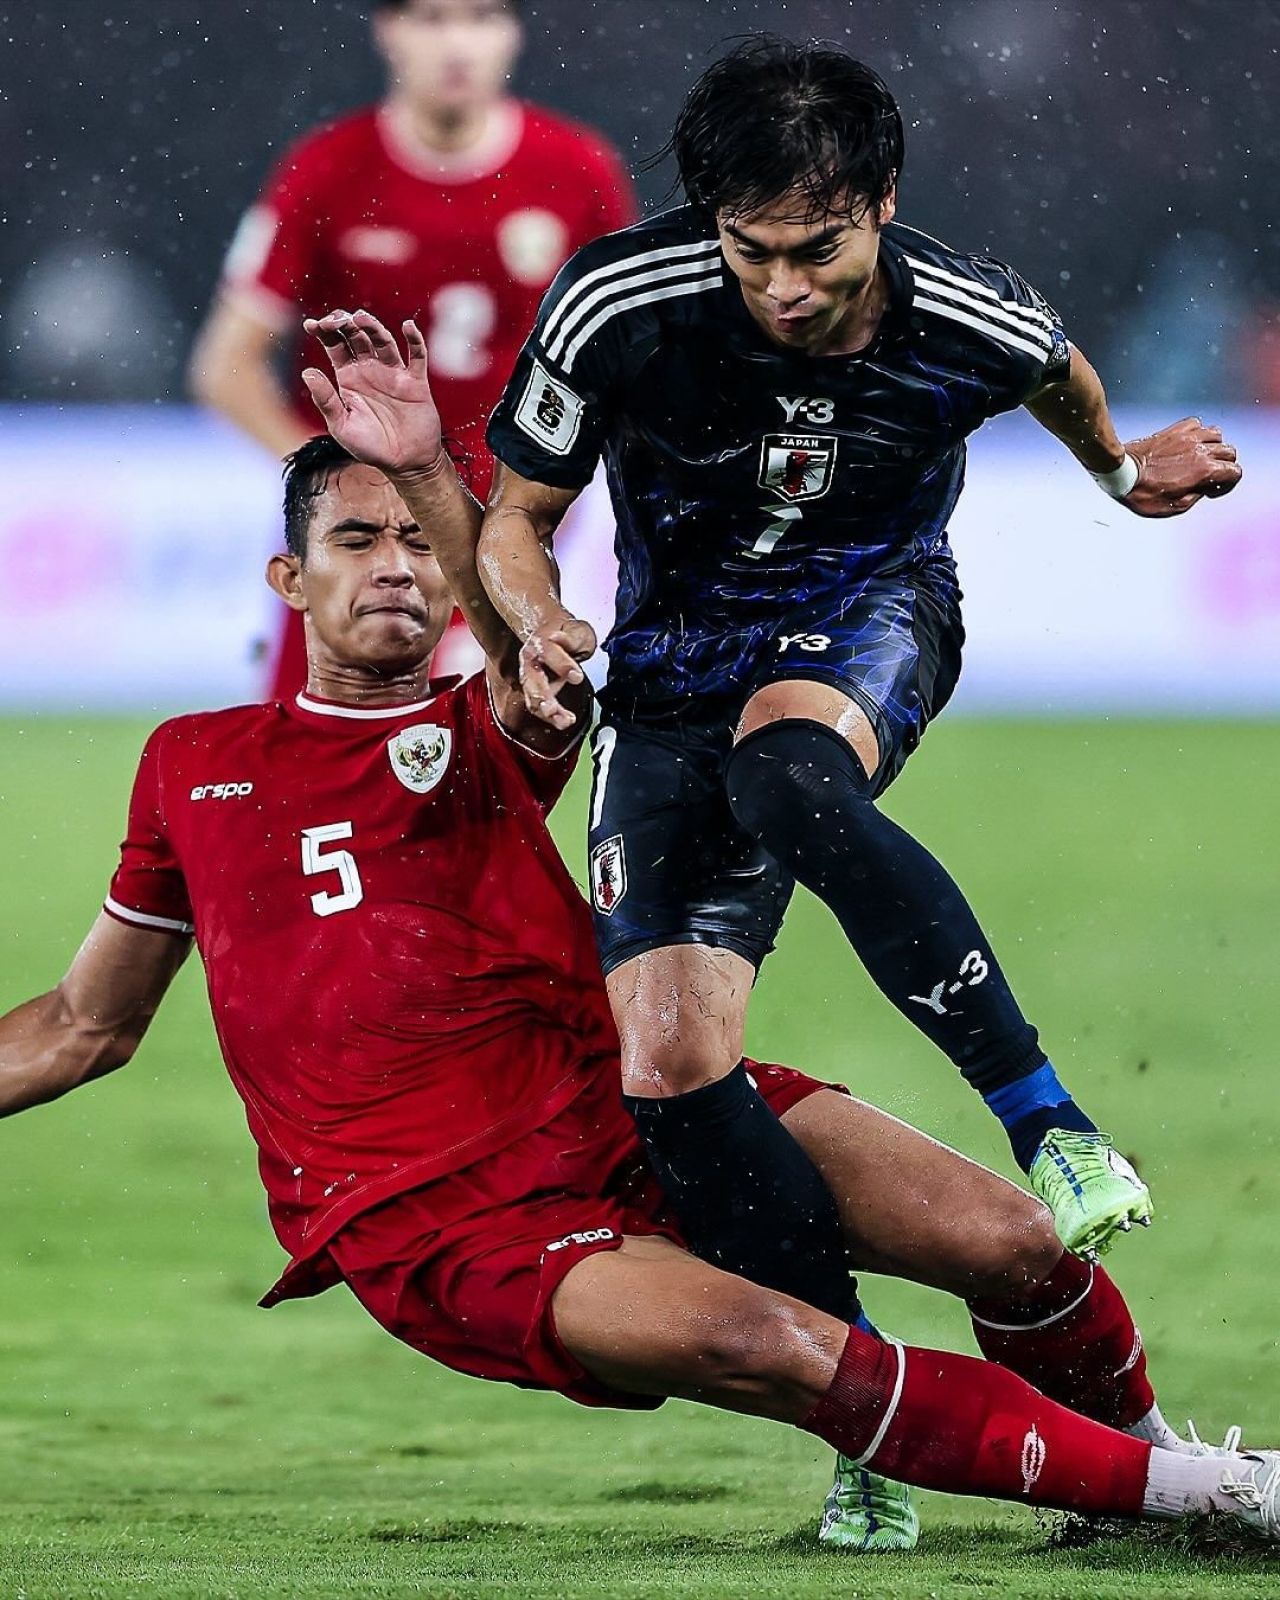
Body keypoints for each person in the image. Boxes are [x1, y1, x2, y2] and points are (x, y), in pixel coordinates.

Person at [2, 309, 1276, 1557]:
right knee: (768, 1345)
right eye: (353, 538)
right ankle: (1217, 1499)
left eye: (411, 542)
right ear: (290, 578)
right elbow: (79, 1026)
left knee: (1015, 1244)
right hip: (433, 1214)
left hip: (620, 1106)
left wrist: (427, 469)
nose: (393, 561)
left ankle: (1167, 1468)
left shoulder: (479, 724)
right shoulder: (189, 765)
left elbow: (516, 651)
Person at [478, 40, 1246, 1343]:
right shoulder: (615, 304)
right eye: (751, 248)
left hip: (870, 613)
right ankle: (859, 1406)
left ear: (882, 202)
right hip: (668, 663)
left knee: (785, 776)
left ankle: (1049, 1125)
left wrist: (1123, 476)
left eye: (818, 249)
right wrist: (539, 611)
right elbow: (515, 518)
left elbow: (1068, 387)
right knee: (671, 1072)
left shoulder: (971, 315)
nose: (783, 285)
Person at [188, 0, 634, 698]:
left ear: (513, 32)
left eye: (482, 17)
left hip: (507, 519)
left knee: (470, 763)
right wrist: (330, 477)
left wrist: (556, 489)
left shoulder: (578, 169)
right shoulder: (326, 169)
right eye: (430, 19)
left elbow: (626, 359)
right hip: (363, 517)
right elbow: (225, 367)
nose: (457, 43)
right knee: (311, 746)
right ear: (387, 30)